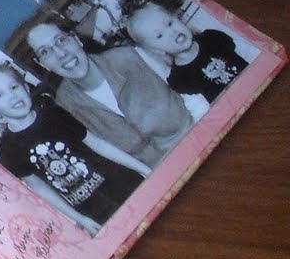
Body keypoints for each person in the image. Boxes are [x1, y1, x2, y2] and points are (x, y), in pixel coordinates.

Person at [0, 63, 148, 233]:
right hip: (94, 213)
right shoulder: (6, 148)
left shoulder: (54, 114)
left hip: (125, 185)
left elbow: (98, 144)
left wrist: (144, 169)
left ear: (25, 87)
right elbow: (39, 188)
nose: (12, 96)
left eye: (14, 87)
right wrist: (79, 219)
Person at [21, 16, 193, 170]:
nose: (60, 54)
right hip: (160, 175)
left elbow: (191, 94)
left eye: (61, 40)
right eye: (45, 52)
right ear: (42, 64)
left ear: (76, 39)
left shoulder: (130, 56)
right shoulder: (65, 107)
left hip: (194, 138)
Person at [122, 0, 249, 107]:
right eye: (160, 35)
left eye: (169, 23)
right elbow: (204, 110)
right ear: (156, 50)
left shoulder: (212, 37)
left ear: (177, 17)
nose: (171, 32)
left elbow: (247, 52)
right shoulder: (180, 80)